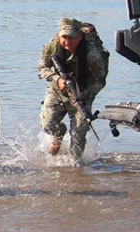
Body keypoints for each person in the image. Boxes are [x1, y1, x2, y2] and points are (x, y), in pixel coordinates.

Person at [38, 18, 108, 162]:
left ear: (80, 36)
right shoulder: (52, 45)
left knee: (78, 135)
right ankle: (58, 135)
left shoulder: (91, 54)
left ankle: (75, 168)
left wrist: (85, 95)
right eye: (64, 37)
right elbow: (42, 68)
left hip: (82, 93)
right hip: (57, 91)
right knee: (47, 125)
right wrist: (57, 79)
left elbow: (100, 80)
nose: (67, 42)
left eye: (72, 38)